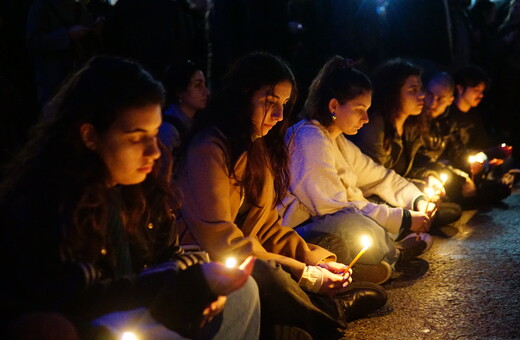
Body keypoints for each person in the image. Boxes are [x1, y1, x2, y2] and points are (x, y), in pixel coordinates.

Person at [0, 56, 260, 340]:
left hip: (149, 308)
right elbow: (81, 301)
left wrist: (203, 282)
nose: (154, 152)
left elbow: (168, 255)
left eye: (153, 134)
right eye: (136, 138)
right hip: (96, 325)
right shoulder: (51, 204)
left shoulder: (144, 187)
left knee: (244, 292)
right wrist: (188, 284)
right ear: (89, 136)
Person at [176, 52, 388, 339]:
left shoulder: (257, 148)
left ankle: (292, 318)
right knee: (264, 272)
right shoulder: (208, 149)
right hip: (210, 266)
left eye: (284, 105)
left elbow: (268, 226)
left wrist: (316, 260)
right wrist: (307, 274)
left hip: (252, 254)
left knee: (328, 245)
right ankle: (330, 313)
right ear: (243, 95)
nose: (278, 116)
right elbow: (221, 241)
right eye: (269, 102)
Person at [278, 56, 434, 286]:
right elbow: (334, 207)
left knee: (377, 207)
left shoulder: (336, 138)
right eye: (360, 109)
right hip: (303, 229)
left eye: (368, 110)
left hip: (338, 218)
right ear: (333, 106)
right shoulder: (308, 139)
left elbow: (378, 177)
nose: (366, 118)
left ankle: (383, 258)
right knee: (352, 222)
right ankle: (393, 254)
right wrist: (403, 219)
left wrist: (417, 200)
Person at [352, 58, 462, 227]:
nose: (422, 95)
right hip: (375, 200)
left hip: (400, 193)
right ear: (393, 92)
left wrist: (427, 177)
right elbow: (377, 181)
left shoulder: (412, 125)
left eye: (421, 88)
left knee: (450, 203)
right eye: (413, 90)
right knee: (445, 211)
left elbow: (413, 165)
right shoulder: (374, 126)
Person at [159, 59, 209, 155]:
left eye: (204, 85)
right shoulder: (168, 131)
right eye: (198, 85)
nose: (206, 92)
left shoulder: (196, 122)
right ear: (179, 91)